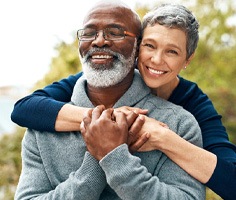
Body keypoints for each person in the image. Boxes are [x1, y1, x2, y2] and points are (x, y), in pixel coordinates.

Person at [12, 2, 236, 200]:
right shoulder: (45, 124)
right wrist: (104, 124)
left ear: (187, 59)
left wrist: (160, 139)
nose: (156, 59)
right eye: (151, 46)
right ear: (140, 47)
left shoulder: (187, 116)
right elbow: (23, 108)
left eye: (172, 52)